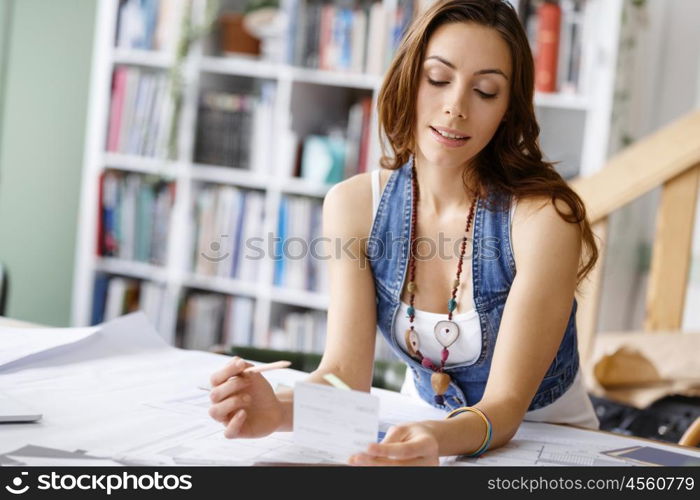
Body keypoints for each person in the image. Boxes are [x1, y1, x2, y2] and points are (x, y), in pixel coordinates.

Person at [208, 0, 600, 466]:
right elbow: (343, 378)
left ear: (506, 111)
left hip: (547, 445)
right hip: (423, 428)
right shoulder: (354, 206)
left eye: (486, 91)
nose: (455, 107)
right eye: (438, 79)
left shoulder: (543, 221)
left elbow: (506, 408)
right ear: (409, 78)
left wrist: (435, 439)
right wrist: (278, 410)